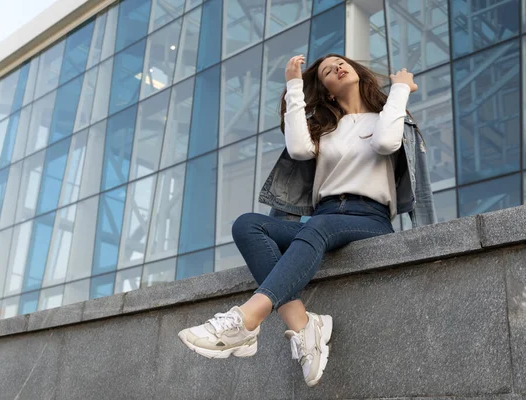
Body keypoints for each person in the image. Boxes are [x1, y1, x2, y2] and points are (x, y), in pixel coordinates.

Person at [178, 53, 436, 387]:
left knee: (318, 226)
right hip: (325, 216)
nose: (337, 68)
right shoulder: (324, 129)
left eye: (342, 63)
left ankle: (246, 319)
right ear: (327, 90)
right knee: (247, 224)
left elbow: (387, 141)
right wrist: (293, 83)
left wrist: (400, 88)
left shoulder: (387, 117)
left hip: (369, 218)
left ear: (356, 72)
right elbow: (299, 149)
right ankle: (301, 324)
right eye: (328, 70)